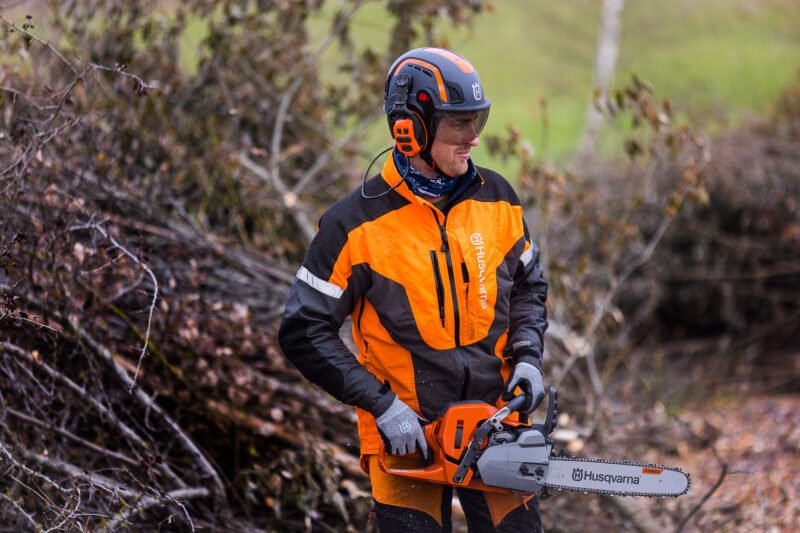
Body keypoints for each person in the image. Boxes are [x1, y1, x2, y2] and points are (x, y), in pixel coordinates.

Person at [279, 47, 548, 532]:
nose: (473, 139)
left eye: (477, 121)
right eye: (458, 124)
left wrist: (528, 355)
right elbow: (304, 329)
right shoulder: (354, 224)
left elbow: (528, 284)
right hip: (407, 440)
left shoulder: (498, 199)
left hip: (496, 423)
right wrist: (382, 406)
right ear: (409, 128)